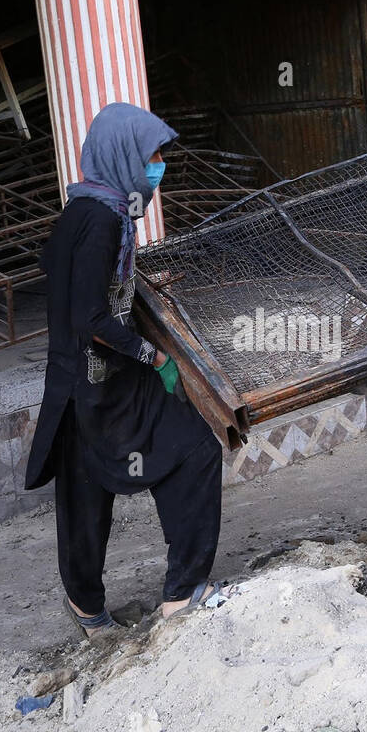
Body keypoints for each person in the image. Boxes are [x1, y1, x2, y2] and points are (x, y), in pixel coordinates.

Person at [24, 103, 224, 639]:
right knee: (195, 450)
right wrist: (153, 356)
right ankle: (183, 593)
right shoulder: (104, 220)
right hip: (102, 380)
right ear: (124, 156)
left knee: (85, 493)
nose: (159, 166)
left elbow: (76, 290)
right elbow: (91, 317)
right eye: (152, 155)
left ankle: (88, 607)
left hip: (78, 381)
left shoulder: (83, 209)